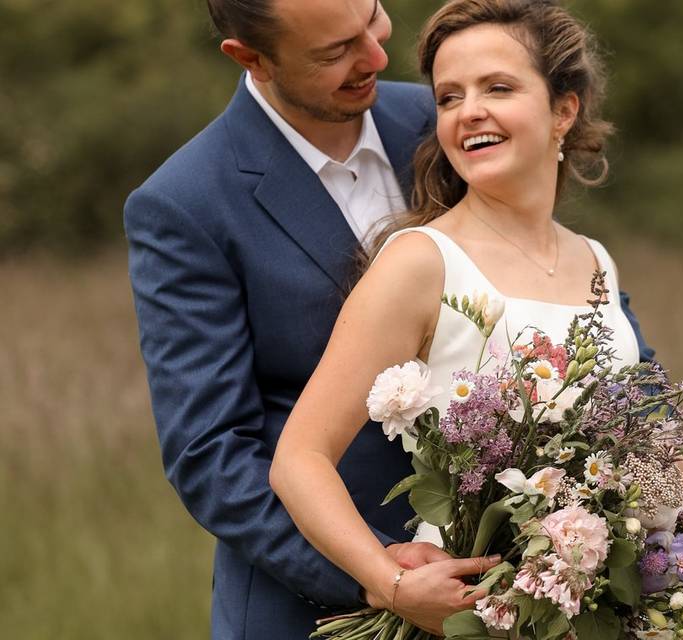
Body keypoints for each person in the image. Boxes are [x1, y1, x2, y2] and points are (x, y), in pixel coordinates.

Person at [270, 0, 683, 636]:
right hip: (473, 617)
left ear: (564, 109)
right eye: (448, 97)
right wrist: (393, 584)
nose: (469, 112)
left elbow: (635, 432)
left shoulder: (595, 260)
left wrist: (674, 498)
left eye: (498, 87)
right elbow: (299, 458)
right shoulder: (421, 262)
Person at [124, 1, 496, 638]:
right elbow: (210, 453)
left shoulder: (447, 120)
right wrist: (379, 575)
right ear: (252, 58)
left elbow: (552, 276)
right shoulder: (183, 204)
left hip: (507, 582)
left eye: (372, 18)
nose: (378, 56)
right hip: (316, 611)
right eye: (334, 52)